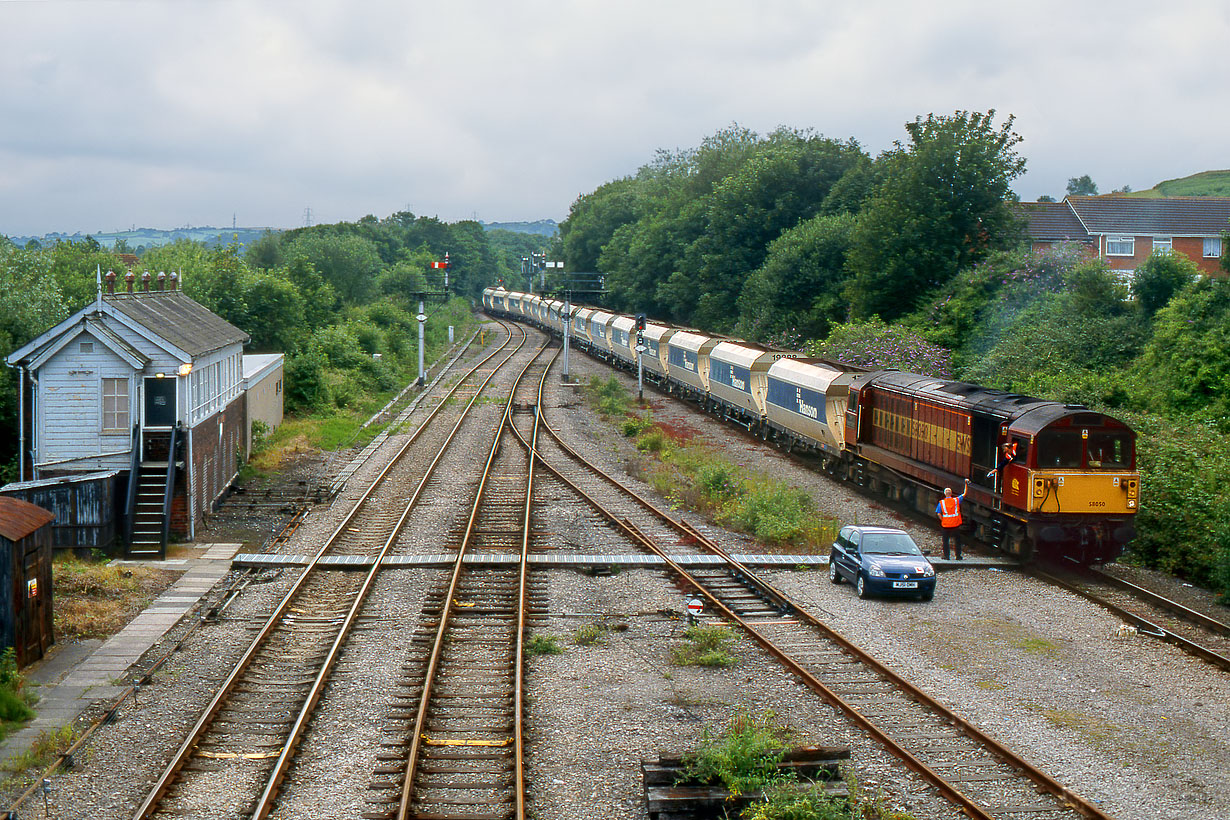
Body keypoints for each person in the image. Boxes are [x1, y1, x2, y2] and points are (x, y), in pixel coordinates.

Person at [935, 479, 969, 560]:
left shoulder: (941, 502)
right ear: (951, 493)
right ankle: (958, 556)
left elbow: (938, 513)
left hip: (946, 525)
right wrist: (966, 484)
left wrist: (943, 520)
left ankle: (946, 556)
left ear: (944, 494)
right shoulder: (956, 500)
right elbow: (964, 494)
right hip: (955, 524)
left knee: (945, 541)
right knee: (957, 540)